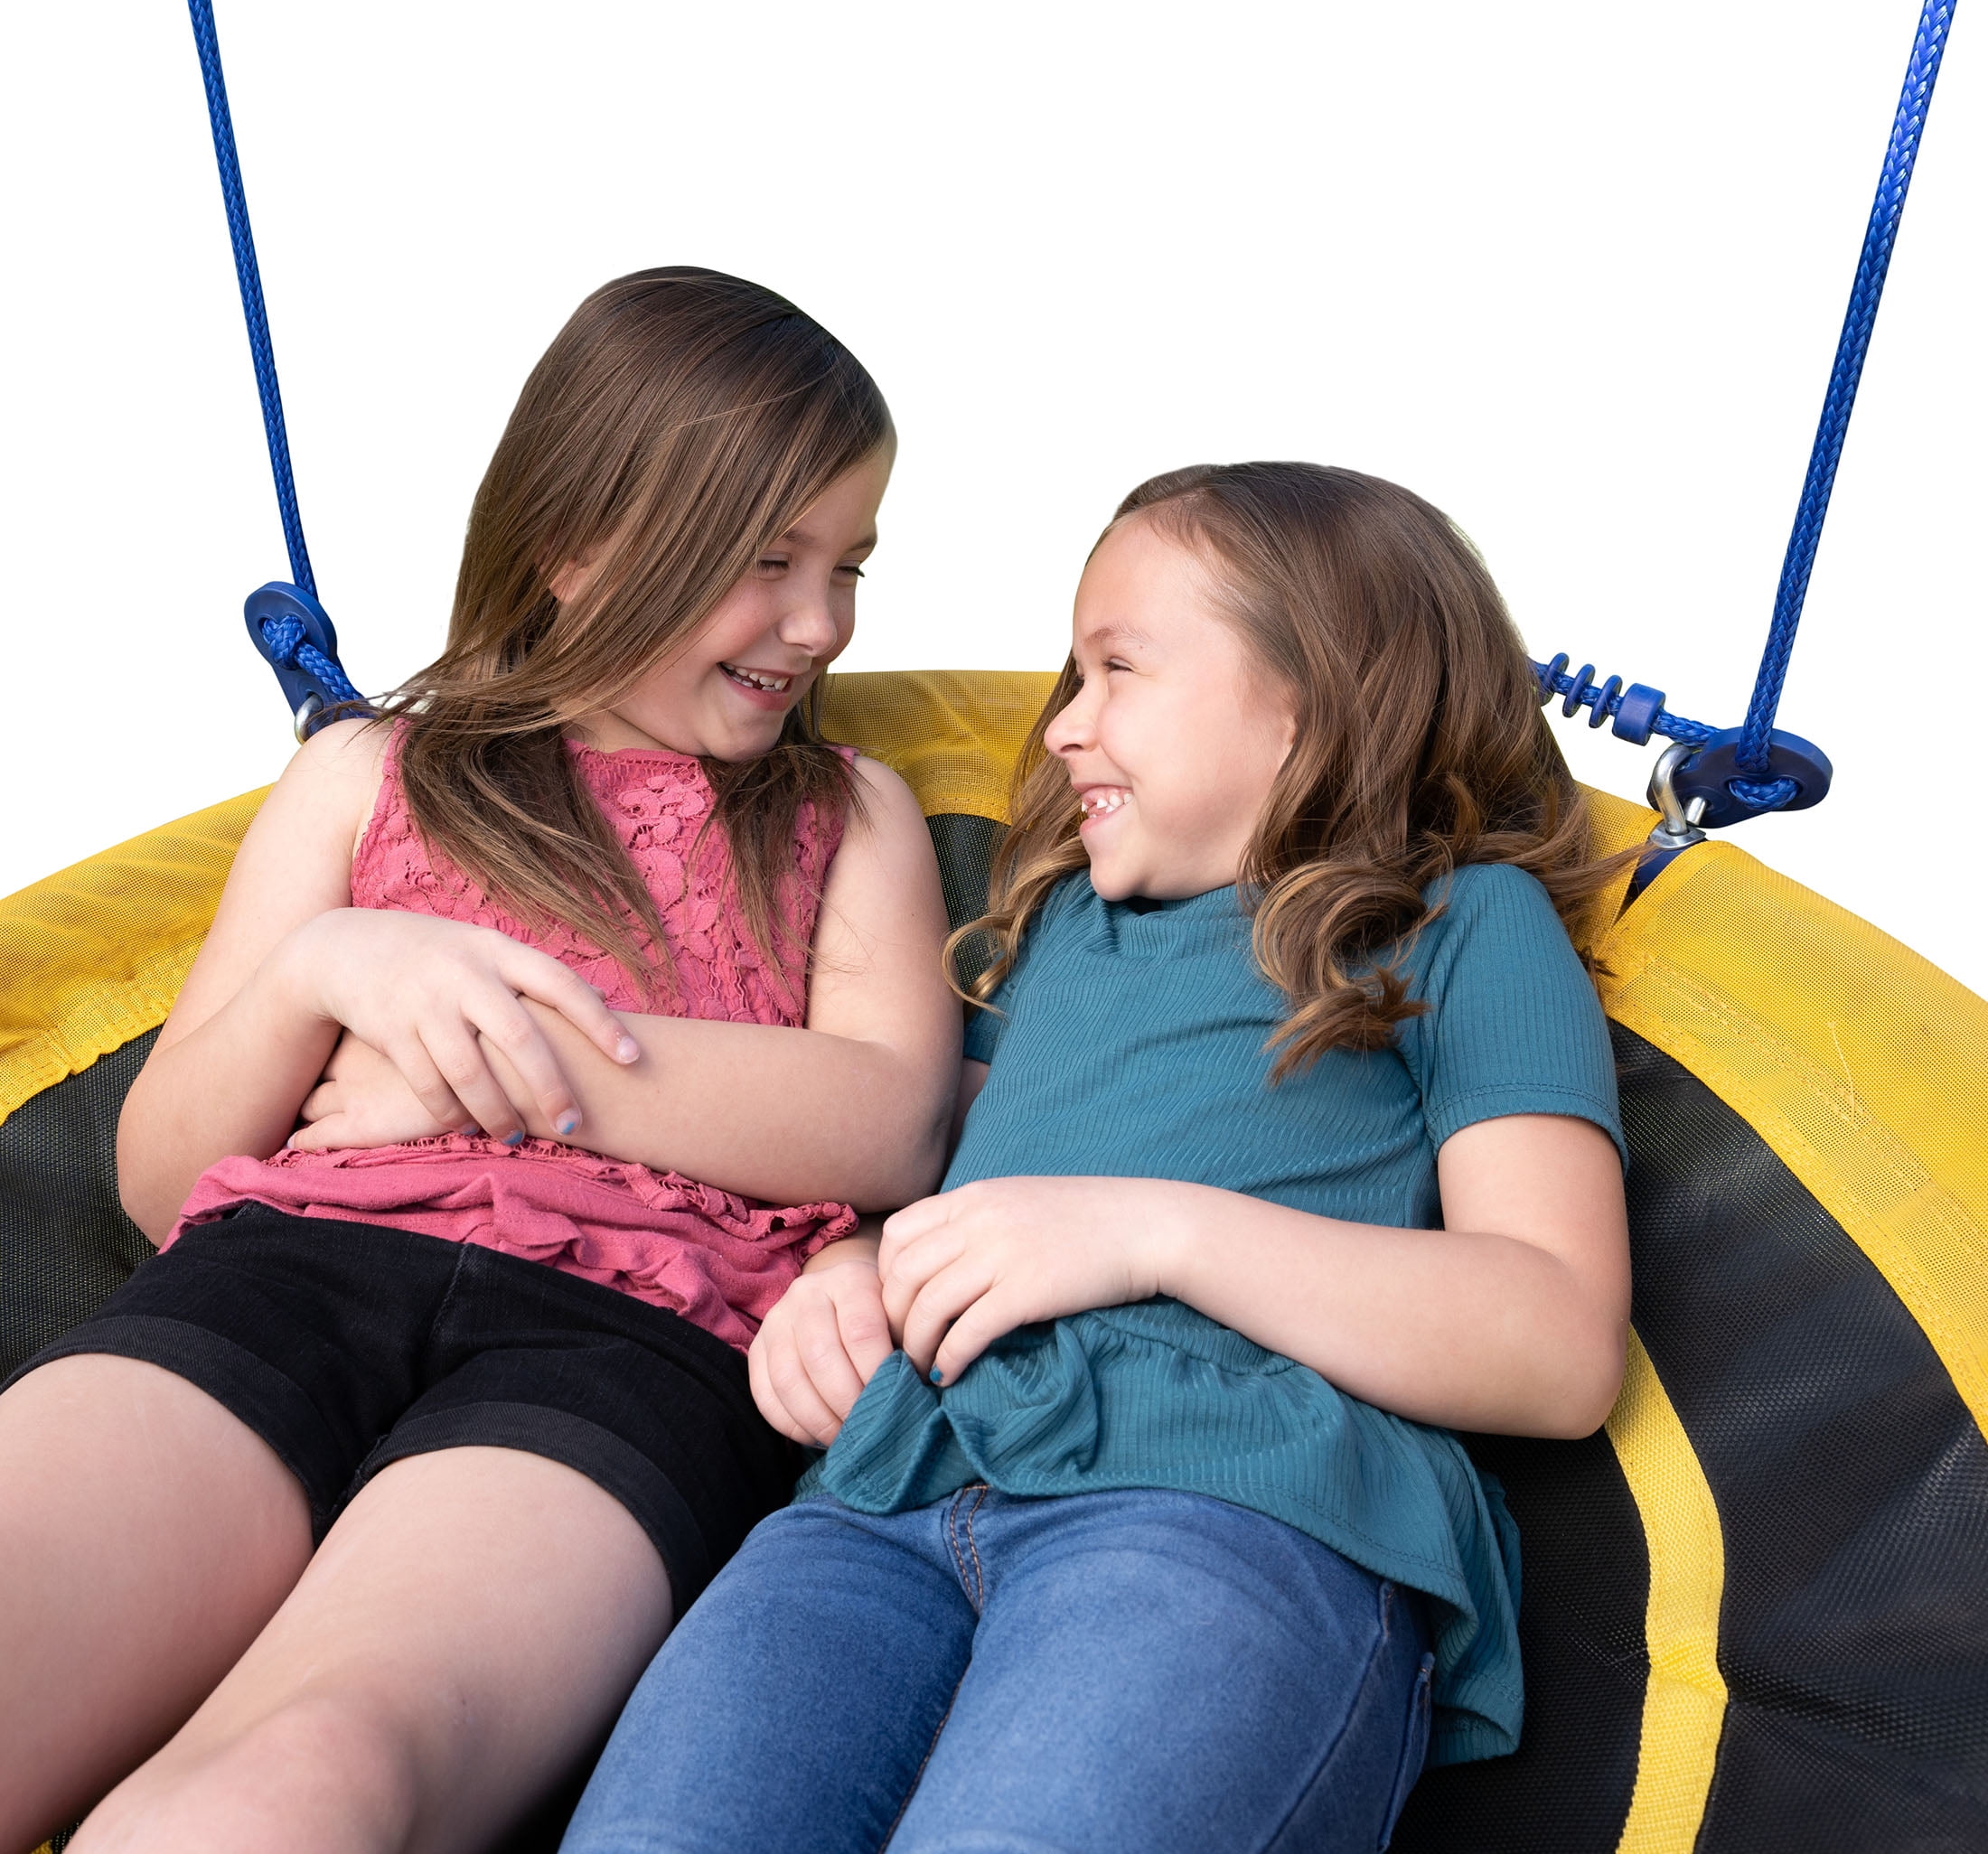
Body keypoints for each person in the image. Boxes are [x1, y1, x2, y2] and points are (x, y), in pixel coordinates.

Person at [0, 268, 961, 1854]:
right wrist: (327, 969)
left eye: (849, 565)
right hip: (277, 1278)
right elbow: (165, 1183)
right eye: (770, 561)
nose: (823, 624)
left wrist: (488, 1063)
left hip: (628, 1339)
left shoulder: (841, 813)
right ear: (579, 547)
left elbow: (888, 1120)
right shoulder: (365, 776)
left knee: (304, 1781)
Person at [565, 461, 1635, 1854]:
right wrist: (859, 1266)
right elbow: (973, 1192)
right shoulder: (1060, 929)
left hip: (1225, 1505)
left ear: (1313, 697)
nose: (1064, 727)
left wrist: (1153, 1236)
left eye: (1116, 670)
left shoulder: (1462, 924)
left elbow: (1557, 1341)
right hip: (886, 1496)